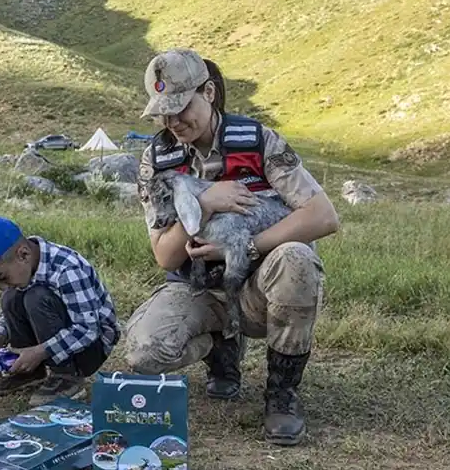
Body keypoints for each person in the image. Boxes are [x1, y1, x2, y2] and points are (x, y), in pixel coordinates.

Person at [126, 47, 340, 446]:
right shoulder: (157, 159)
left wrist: (248, 248)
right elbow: (165, 256)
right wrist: (204, 202)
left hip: (260, 289)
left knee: (297, 259)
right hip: (199, 287)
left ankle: (281, 393)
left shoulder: (259, 142)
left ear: (207, 93)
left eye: (181, 107)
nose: (173, 121)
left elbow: (322, 215)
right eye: (163, 112)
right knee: (144, 353)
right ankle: (222, 345)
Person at [0, 216, 118, 405]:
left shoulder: (67, 269)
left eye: (2, 277)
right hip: (56, 341)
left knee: (36, 297)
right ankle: (29, 371)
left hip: (90, 348)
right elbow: (8, 310)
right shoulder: (24, 267)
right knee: (10, 298)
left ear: (24, 254)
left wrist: (39, 352)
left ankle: (67, 376)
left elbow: (88, 330)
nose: (2, 286)